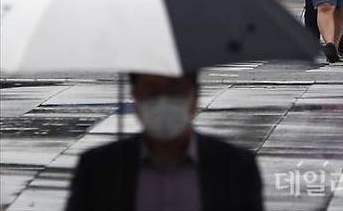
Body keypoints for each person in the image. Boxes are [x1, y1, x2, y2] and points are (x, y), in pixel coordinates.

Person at [66, 72, 263, 211]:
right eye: (152, 92)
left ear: (194, 97)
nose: (164, 101)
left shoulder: (235, 167)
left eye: (175, 91)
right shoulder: (99, 169)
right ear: (136, 98)